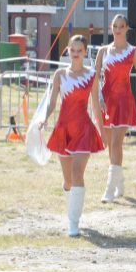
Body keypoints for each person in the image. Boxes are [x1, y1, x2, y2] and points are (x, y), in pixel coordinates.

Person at [42, 35, 107, 236]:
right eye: (73, 49)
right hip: (63, 128)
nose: (76, 53)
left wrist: (102, 132)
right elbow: (52, 102)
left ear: (86, 52)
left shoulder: (92, 74)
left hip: (84, 129)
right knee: (68, 179)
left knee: (78, 172)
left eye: (80, 50)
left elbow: (95, 105)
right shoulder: (60, 74)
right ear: (68, 50)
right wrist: (44, 119)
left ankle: (73, 222)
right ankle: (73, 211)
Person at [95, 15, 136, 203]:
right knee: (109, 145)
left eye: (121, 26)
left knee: (116, 143)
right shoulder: (103, 51)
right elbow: (95, 77)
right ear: (111, 27)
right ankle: (119, 182)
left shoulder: (134, 51)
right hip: (106, 100)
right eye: (115, 26)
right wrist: (98, 98)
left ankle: (109, 189)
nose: (118, 29)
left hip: (124, 99)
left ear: (127, 28)